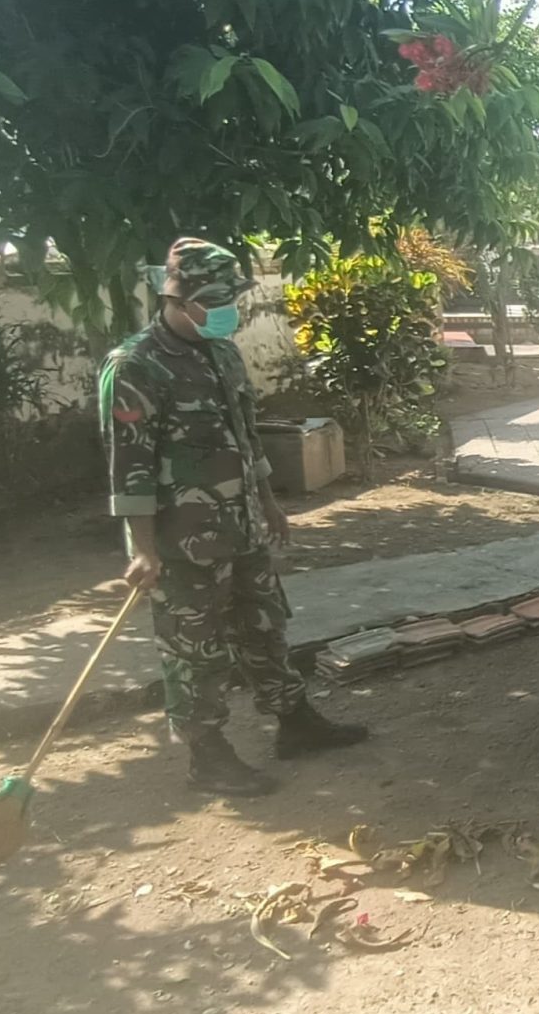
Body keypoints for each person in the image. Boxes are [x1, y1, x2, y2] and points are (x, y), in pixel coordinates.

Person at [100, 238, 370, 795]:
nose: (231, 310)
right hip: (182, 541)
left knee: (264, 626)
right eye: (219, 299)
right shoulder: (135, 365)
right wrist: (144, 548)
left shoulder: (221, 353)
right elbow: (130, 467)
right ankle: (207, 754)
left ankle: (294, 723)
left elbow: (246, 438)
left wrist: (269, 503)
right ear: (184, 297)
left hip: (242, 524)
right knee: (194, 647)